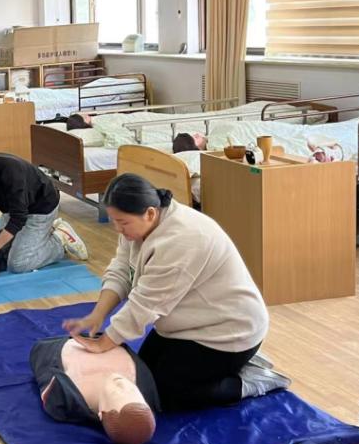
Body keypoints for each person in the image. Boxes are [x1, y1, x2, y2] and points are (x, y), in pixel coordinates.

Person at [62, 173, 288, 412]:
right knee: (143, 375)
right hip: (191, 324)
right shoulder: (139, 225)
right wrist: (98, 314)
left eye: (123, 223)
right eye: (114, 221)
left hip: (229, 331)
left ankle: (251, 381)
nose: (118, 229)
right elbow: (121, 270)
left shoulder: (182, 239)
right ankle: (232, 365)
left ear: (150, 213)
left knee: (165, 394)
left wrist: (104, 342)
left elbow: (146, 304)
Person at [0, 147, 88, 273]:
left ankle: (60, 239)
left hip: (41, 209)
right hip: (14, 208)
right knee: (1, 252)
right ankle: (42, 235)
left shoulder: (11, 173)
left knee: (18, 264)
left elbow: (18, 219)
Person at [30, 335, 159, 444]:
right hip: (105, 336)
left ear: (101, 413)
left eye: (117, 393)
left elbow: (45, 370)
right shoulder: (147, 388)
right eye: (133, 391)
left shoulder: (67, 398)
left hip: (59, 344)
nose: (123, 383)